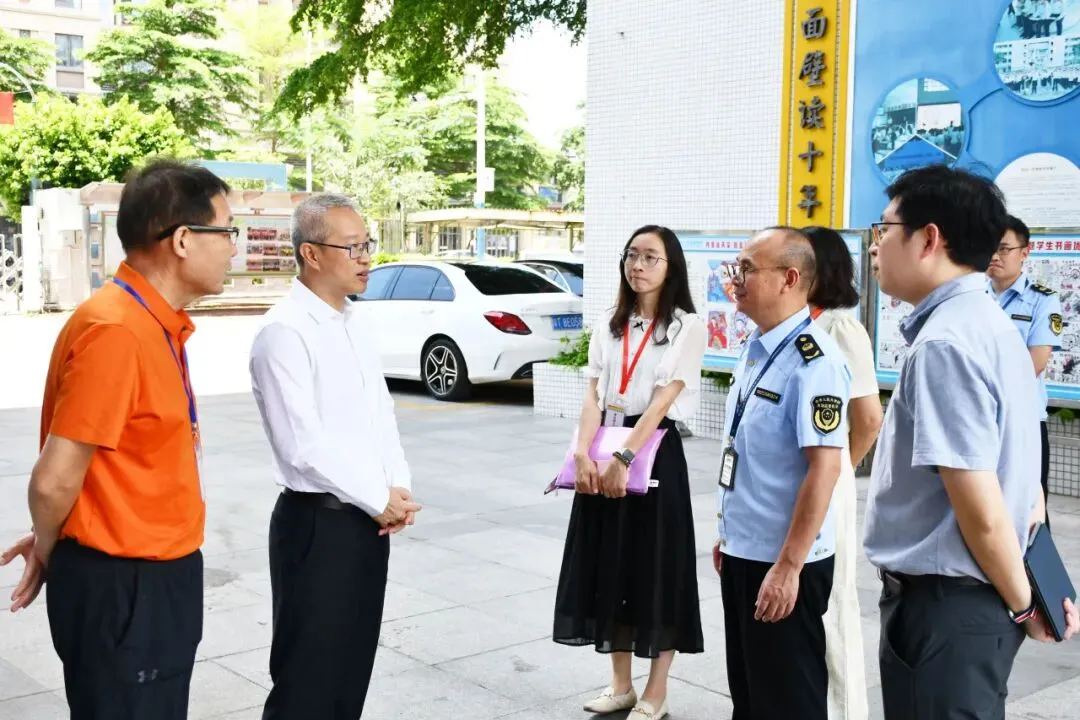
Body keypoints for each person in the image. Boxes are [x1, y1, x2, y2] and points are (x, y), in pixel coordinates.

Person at [0, 159, 237, 718]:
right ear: (182, 239)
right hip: (127, 587)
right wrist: (59, 546)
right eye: (226, 231)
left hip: (150, 579)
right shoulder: (117, 331)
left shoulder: (150, 322)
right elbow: (54, 478)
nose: (234, 246)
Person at [863, 165, 1079, 720]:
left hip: (948, 607)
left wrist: (1023, 604)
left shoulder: (945, 343)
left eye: (883, 229)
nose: (876, 246)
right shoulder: (992, 325)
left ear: (929, 239)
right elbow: (1026, 481)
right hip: (973, 600)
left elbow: (979, 508)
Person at [249, 194, 421, 719]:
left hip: (367, 521)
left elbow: (380, 415)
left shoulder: (352, 322)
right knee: (308, 678)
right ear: (311, 255)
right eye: (352, 247)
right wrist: (376, 498)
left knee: (350, 670)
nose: (366, 257)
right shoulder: (284, 332)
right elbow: (304, 446)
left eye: (367, 244)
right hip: (318, 524)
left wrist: (397, 487)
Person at [553, 224, 707, 720]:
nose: (637, 265)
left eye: (650, 257)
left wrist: (624, 459)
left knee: (656, 567)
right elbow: (593, 392)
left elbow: (663, 402)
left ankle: (656, 693)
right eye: (632, 256)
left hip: (653, 450)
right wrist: (583, 453)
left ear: (671, 267)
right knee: (607, 562)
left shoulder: (686, 327)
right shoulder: (609, 323)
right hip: (602, 444)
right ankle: (621, 684)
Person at [712, 226, 851, 720]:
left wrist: (789, 566)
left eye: (748, 268)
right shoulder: (755, 348)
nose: (737, 278)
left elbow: (825, 468)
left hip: (785, 563)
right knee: (750, 695)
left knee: (788, 700)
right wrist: (729, 533)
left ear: (790, 278)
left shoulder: (815, 362)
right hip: (746, 551)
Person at [804, 225, 882, 720]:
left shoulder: (840, 328)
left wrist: (839, 469)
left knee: (833, 605)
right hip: (796, 486)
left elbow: (869, 418)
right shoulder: (796, 326)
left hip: (826, 486)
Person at [986, 214, 1062, 531]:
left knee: (1029, 509)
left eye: (1004, 248)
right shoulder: (974, 294)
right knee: (987, 506)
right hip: (982, 419)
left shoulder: (1042, 300)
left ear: (1024, 252)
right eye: (990, 247)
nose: (994, 255)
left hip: (1024, 422)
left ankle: (1032, 580)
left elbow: (1036, 361)